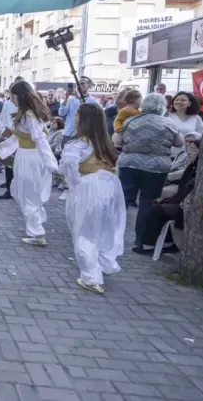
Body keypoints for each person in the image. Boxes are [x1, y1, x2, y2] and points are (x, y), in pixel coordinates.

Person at [58, 104, 125, 294]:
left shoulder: (77, 144)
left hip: (89, 188)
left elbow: (69, 167)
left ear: (82, 120)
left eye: (77, 116)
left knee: (84, 231)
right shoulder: (105, 142)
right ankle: (102, 264)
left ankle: (91, 276)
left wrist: (75, 184)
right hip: (109, 188)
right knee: (103, 228)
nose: (75, 119)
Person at [114, 93, 183, 247]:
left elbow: (118, 141)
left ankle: (113, 233)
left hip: (129, 164)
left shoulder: (131, 120)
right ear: (162, 106)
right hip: (156, 168)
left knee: (123, 199)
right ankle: (140, 240)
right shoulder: (169, 123)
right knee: (147, 202)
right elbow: (179, 143)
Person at [0, 81, 56, 245]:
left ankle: (37, 232)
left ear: (20, 95)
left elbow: (40, 139)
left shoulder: (29, 115)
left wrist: (51, 164)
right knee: (27, 193)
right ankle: (36, 227)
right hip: (26, 156)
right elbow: (17, 138)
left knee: (28, 194)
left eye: (12, 95)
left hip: (30, 158)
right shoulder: (25, 113)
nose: (10, 98)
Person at [135, 135, 200, 255]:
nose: (190, 153)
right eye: (189, 149)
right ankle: (165, 241)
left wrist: (169, 201)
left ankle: (148, 245)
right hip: (180, 200)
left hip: (187, 206)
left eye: (194, 150)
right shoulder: (191, 167)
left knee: (158, 209)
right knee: (156, 203)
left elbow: (186, 195)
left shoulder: (200, 171)